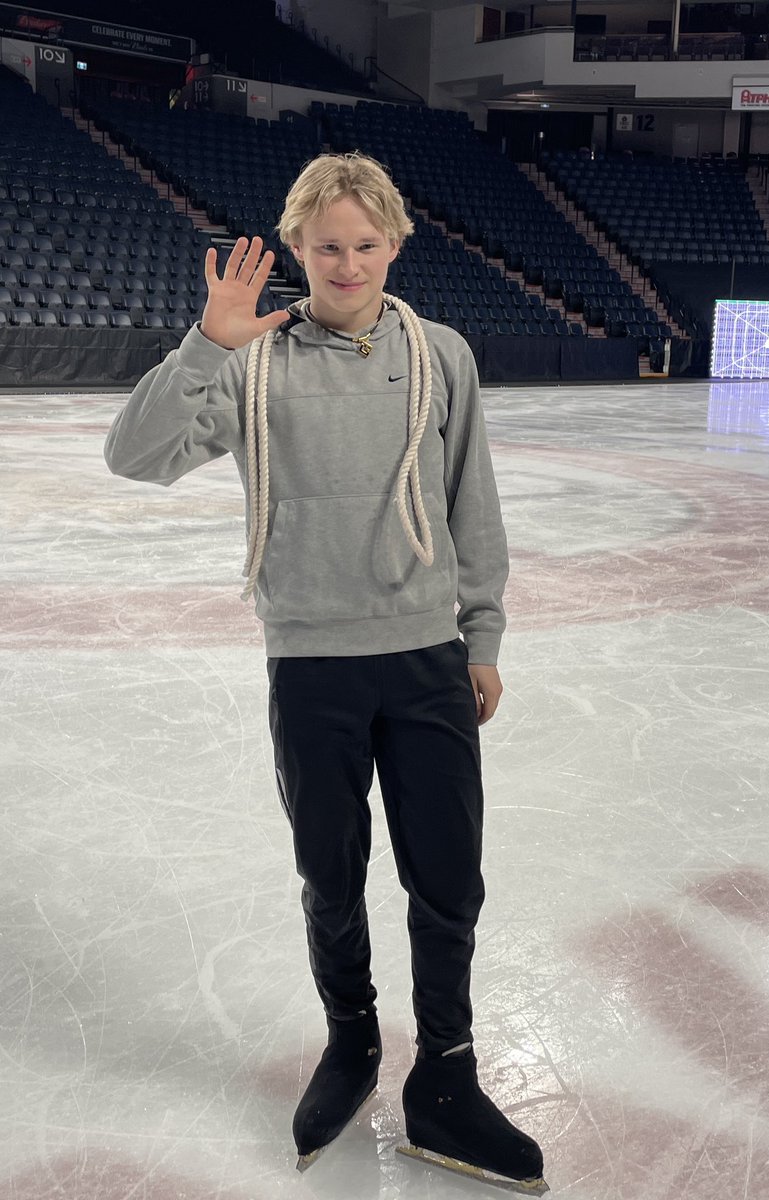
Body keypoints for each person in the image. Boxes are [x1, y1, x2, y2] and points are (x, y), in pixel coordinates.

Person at [104, 151, 546, 1194]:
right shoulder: (251, 360)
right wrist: (206, 345)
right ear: (296, 250)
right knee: (330, 871)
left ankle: (446, 1070)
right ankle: (351, 1041)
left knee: (447, 876)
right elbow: (136, 455)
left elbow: (470, 503)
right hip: (312, 664)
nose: (345, 262)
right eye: (324, 245)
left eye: (363, 243)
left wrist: (481, 635)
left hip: (427, 656)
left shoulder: (442, 355)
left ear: (395, 244)